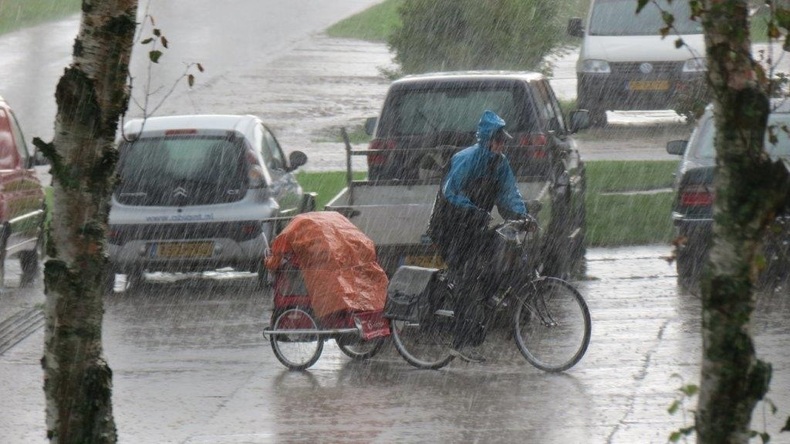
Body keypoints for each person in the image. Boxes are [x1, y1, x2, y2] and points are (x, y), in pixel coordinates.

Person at [427, 109, 530, 363]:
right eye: (498, 141)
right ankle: (462, 341)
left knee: (494, 265)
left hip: (474, 226)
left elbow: (509, 193)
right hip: (450, 227)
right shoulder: (466, 159)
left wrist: (523, 215)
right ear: (486, 140)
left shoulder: (500, 163)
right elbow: (451, 192)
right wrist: (473, 211)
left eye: (503, 141)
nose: (501, 145)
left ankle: (479, 314)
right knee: (468, 276)